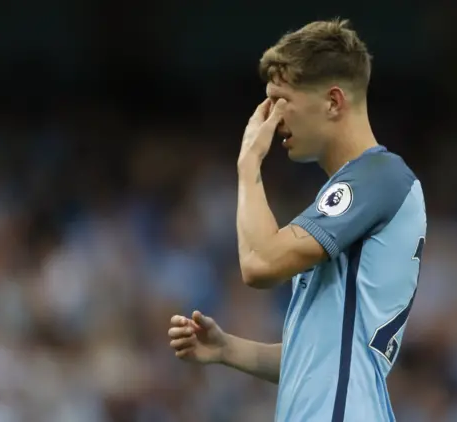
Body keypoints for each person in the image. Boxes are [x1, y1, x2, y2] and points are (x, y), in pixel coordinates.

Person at [168, 18, 426, 422]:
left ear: (333, 101)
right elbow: (318, 358)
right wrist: (226, 349)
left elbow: (259, 264)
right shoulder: (353, 195)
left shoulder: (379, 177)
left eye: (280, 99)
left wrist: (249, 164)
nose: (271, 117)